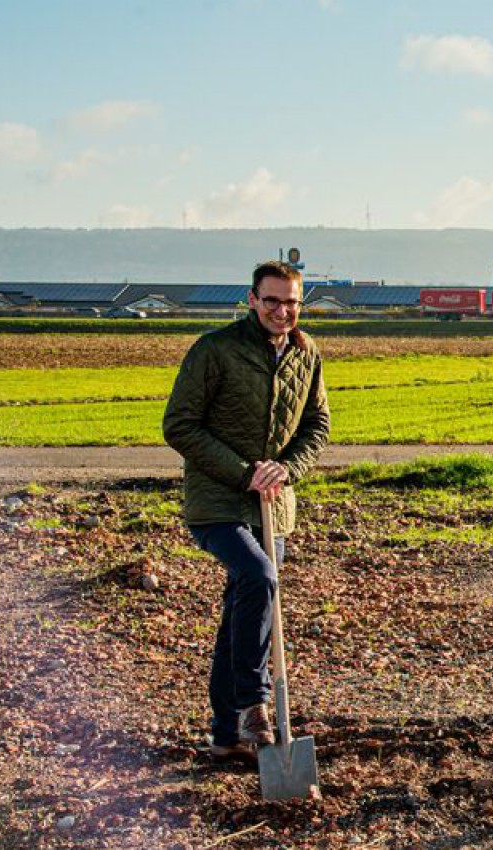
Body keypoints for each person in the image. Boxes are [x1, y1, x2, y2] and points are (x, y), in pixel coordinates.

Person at [162, 260, 330, 761]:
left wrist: (287, 469)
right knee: (259, 578)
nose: (283, 311)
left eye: (292, 302)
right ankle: (254, 705)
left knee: (242, 611)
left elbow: (316, 426)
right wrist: (242, 471)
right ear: (252, 299)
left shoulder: (307, 354)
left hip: (273, 506)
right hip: (217, 501)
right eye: (273, 300)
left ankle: (224, 734)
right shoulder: (215, 350)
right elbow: (179, 425)